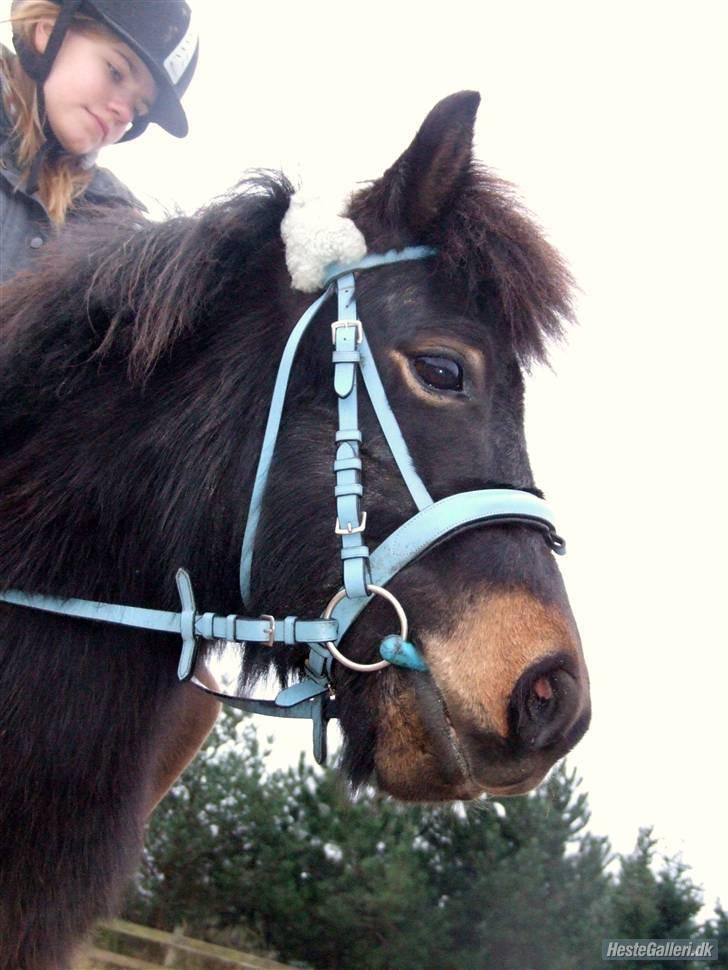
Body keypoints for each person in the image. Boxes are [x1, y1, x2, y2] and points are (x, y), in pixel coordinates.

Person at [1, 0, 198, 282]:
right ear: (47, 32)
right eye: (116, 71)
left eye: (139, 110)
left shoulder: (117, 230)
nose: (124, 112)